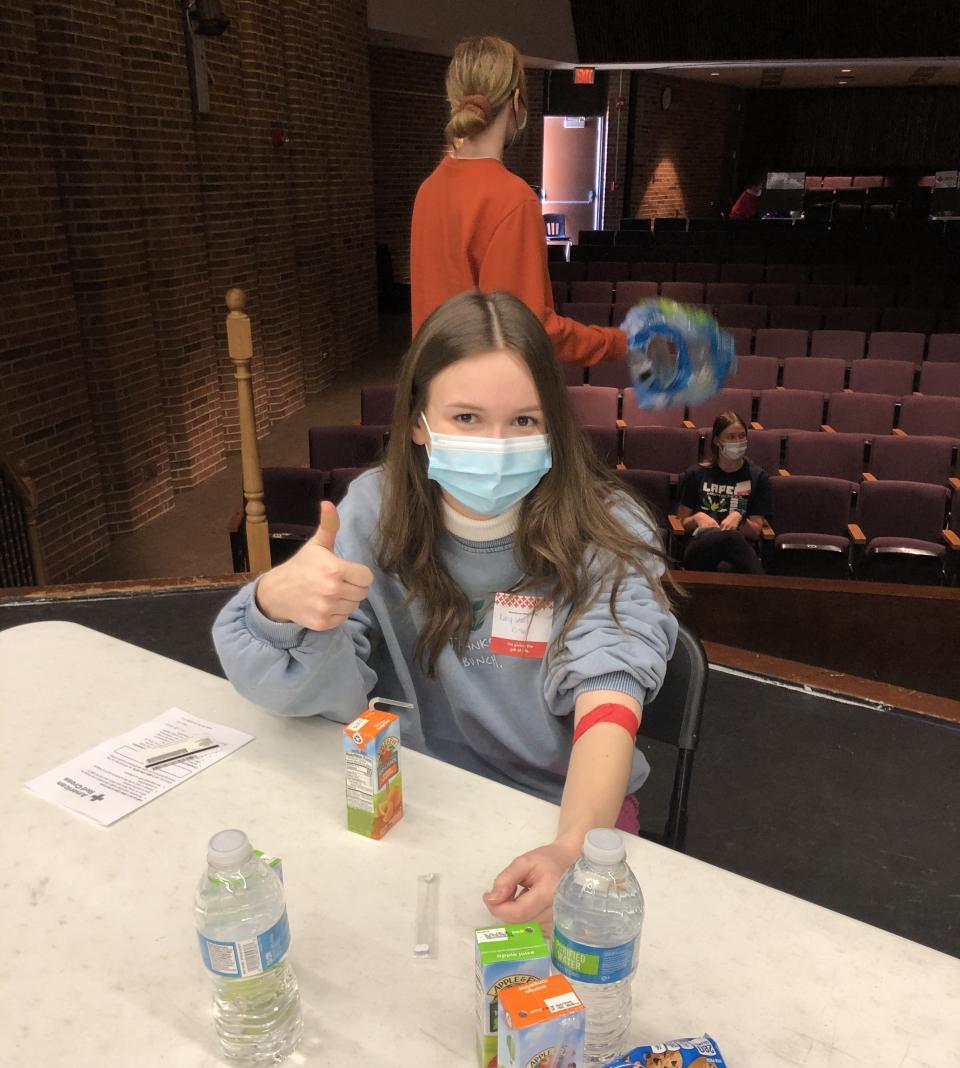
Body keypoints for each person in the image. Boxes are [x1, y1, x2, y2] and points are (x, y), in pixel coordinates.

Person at [213, 291, 676, 925]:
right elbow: (308, 695)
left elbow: (609, 694)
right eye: (465, 418)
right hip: (422, 790)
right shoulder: (374, 512)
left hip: (563, 804)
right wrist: (278, 605)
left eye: (524, 421)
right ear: (417, 423)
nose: (497, 444)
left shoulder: (608, 526)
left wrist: (571, 846)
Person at [410, 35, 625, 368]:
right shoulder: (512, 197)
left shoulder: (429, 190)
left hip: (433, 386)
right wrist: (616, 343)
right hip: (488, 391)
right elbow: (530, 333)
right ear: (516, 102)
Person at [676, 411, 770, 574]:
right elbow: (681, 522)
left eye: (742, 436)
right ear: (717, 441)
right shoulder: (696, 474)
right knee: (732, 538)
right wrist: (698, 518)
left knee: (728, 560)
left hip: (739, 550)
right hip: (701, 546)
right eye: (731, 437)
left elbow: (755, 532)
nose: (738, 441)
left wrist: (740, 518)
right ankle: (764, 584)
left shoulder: (757, 477)